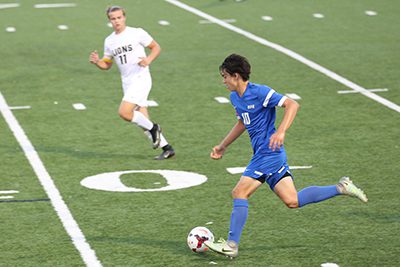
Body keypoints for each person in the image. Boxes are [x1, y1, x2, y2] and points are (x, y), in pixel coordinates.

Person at [204, 54, 368, 258]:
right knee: (292, 200)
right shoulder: (235, 98)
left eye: (225, 76)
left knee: (239, 192)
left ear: (236, 76)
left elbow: (292, 104)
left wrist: (280, 131)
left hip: (268, 154)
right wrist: (222, 146)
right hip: (269, 155)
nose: (223, 81)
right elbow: (242, 123)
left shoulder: (260, 92)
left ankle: (231, 244)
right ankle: (341, 187)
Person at [89, 6, 174, 160]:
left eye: (119, 17)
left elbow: (156, 47)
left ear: (124, 17)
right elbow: (107, 64)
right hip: (127, 82)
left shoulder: (137, 33)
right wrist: (97, 62)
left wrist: (148, 60)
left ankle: (154, 128)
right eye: (113, 19)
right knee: (142, 119)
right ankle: (167, 149)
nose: (116, 21)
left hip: (141, 78)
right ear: (109, 21)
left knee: (124, 112)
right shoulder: (109, 41)